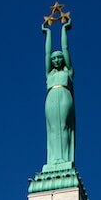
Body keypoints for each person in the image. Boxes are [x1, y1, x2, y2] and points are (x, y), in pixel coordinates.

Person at [42, 14, 75, 165]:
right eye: (53, 58)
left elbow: (65, 48)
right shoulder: (50, 74)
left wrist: (64, 29)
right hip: (51, 97)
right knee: (53, 128)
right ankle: (53, 160)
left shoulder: (67, 72)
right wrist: (48, 33)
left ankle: (63, 159)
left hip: (64, 96)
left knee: (63, 127)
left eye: (58, 57)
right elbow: (47, 53)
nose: (55, 59)